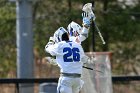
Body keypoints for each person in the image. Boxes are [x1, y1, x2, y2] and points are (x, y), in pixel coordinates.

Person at [45, 27, 86, 93]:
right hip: (77, 79)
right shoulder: (78, 45)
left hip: (66, 79)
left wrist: (51, 41)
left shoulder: (59, 45)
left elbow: (47, 48)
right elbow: (82, 59)